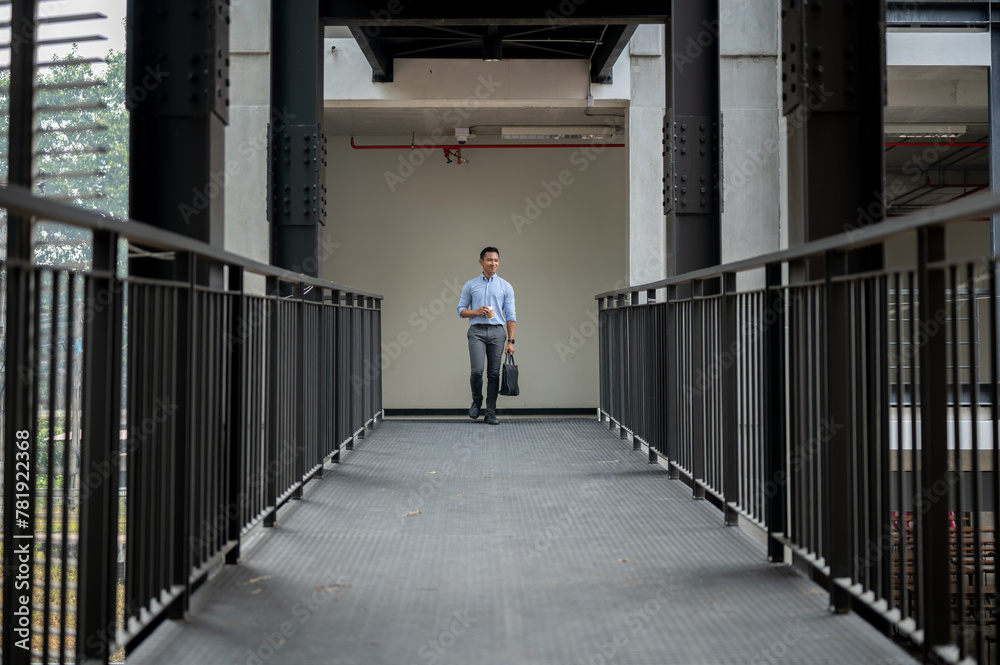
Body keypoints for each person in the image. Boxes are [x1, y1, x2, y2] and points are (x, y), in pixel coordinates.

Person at [457, 246, 516, 425]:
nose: (493, 263)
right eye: (489, 260)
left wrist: (511, 341)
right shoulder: (471, 285)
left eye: (496, 260)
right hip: (477, 332)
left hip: (498, 332)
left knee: (494, 373)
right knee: (477, 370)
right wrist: (476, 312)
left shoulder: (506, 286)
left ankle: (490, 412)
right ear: (481, 262)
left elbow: (511, 316)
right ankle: (476, 400)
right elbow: (461, 310)